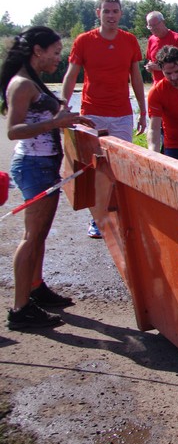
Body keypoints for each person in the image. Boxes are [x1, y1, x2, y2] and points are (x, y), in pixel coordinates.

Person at [2, 27, 94, 330]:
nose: (58, 58)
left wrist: (69, 120)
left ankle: (35, 288)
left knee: (39, 234)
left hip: (43, 166)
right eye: (55, 52)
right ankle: (20, 309)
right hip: (34, 165)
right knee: (31, 237)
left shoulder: (33, 81)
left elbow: (46, 118)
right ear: (37, 51)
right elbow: (13, 130)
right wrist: (56, 122)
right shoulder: (22, 84)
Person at [61, 0, 147, 238]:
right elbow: (71, 75)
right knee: (95, 167)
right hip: (92, 113)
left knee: (121, 166)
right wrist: (63, 107)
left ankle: (121, 215)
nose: (111, 15)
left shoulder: (129, 41)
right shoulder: (84, 41)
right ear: (98, 13)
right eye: (106, 11)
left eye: (115, 11)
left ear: (121, 14)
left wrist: (143, 110)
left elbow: (136, 77)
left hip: (121, 114)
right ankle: (97, 219)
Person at [144, 11, 178, 83]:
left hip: (176, 84)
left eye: (155, 25)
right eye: (150, 26)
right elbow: (151, 60)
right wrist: (149, 67)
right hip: (158, 85)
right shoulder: (151, 40)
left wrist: (161, 68)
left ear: (163, 22)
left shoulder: (177, 39)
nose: (153, 29)